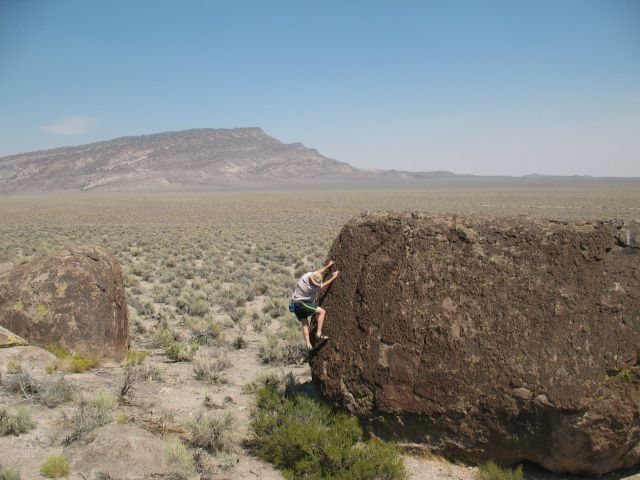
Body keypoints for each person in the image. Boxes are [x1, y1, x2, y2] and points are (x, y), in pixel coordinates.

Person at [290, 260, 340, 350]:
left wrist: (327, 266)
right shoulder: (313, 288)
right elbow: (324, 285)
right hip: (301, 304)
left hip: (294, 304)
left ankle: (308, 344)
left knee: (305, 324)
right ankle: (318, 334)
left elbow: (317, 272)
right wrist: (334, 277)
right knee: (322, 312)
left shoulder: (305, 277)